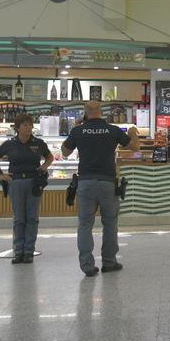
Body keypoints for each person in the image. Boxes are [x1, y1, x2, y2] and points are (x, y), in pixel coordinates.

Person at [61, 101, 139, 276]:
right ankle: (109, 262)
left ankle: (87, 266)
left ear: (85, 113)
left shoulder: (78, 131)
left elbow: (65, 152)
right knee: (110, 224)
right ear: (101, 112)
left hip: (86, 183)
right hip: (107, 183)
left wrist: (75, 129)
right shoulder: (112, 130)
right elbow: (135, 148)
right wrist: (134, 134)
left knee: (85, 225)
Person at [0, 113, 53, 264]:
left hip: (34, 183)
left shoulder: (39, 143)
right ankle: (18, 251)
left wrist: (44, 167)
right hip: (16, 182)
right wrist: (0, 174)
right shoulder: (9, 144)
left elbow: (49, 157)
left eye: (30, 125)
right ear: (17, 128)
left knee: (32, 218)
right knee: (19, 219)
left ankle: (29, 252)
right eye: (25, 125)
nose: (28, 128)